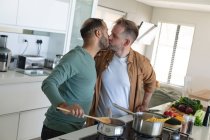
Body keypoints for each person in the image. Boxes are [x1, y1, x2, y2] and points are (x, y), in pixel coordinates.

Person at [41, 18, 109, 140]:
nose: (108, 36)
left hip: (73, 129)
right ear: (98, 33)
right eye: (107, 31)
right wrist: (64, 105)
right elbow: (48, 83)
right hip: (58, 129)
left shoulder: (89, 59)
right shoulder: (76, 57)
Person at [87, 18, 156, 126]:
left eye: (114, 36)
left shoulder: (141, 62)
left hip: (125, 124)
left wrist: (145, 104)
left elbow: (151, 82)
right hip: (98, 121)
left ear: (126, 42)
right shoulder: (102, 55)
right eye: (110, 33)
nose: (109, 37)